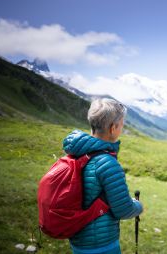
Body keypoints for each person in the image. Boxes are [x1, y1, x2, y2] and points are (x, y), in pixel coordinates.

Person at [63, 98, 143, 254]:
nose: (121, 128)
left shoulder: (77, 153)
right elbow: (123, 210)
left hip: (78, 239)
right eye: (121, 125)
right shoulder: (108, 164)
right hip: (100, 244)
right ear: (113, 128)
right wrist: (138, 206)